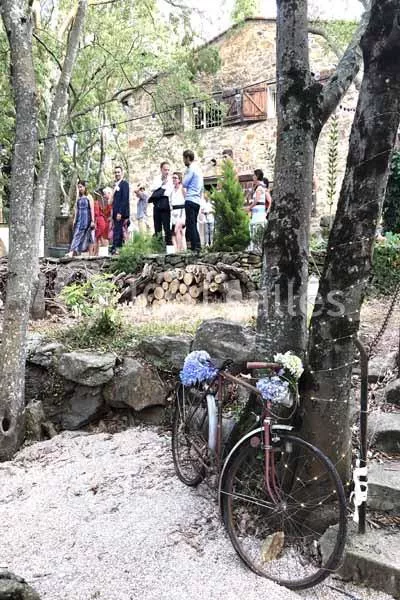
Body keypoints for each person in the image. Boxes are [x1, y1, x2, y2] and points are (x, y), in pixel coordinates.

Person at [66, 180, 95, 257]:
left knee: (81, 235)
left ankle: (72, 251)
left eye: (81, 187)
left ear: (85, 187)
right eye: (78, 187)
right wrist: (75, 219)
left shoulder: (89, 197)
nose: (80, 189)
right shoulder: (78, 197)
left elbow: (92, 209)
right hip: (79, 218)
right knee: (77, 234)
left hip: (86, 218)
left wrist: (92, 221)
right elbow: (76, 209)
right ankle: (76, 252)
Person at [182, 149, 203, 252]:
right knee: (193, 223)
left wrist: (185, 174)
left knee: (191, 224)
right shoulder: (199, 169)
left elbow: (184, 183)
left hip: (190, 199)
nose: (183, 161)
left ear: (187, 158)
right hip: (197, 200)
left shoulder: (191, 169)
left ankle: (195, 246)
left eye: (184, 159)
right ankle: (196, 244)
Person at [149, 161, 172, 246]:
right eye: (165, 170)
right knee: (157, 226)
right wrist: (162, 183)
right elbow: (152, 188)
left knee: (167, 226)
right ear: (161, 169)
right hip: (157, 202)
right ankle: (159, 246)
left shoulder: (171, 180)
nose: (167, 172)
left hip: (166, 203)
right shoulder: (157, 179)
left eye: (168, 170)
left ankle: (169, 246)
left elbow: (170, 192)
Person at [111, 165, 130, 255]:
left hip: (121, 213)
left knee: (118, 231)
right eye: (115, 172)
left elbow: (124, 199)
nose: (117, 174)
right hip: (115, 212)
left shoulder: (124, 184)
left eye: (118, 172)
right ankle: (118, 249)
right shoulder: (115, 185)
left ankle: (117, 248)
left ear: (122, 173)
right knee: (117, 230)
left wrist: (120, 212)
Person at [246, 169, 267, 245]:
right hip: (256, 212)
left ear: (257, 176)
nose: (253, 177)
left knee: (256, 227)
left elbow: (257, 199)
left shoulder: (259, 188)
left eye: (254, 175)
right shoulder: (258, 187)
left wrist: (249, 207)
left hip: (259, 213)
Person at [169, 172, 186, 251]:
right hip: (173, 212)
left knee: (178, 229)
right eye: (173, 178)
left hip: (181, 211)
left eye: (175, 178)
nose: (174, 179)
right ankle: (177, 249)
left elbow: (186, 199)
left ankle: (179, 249)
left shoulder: (182, 188)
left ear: (179, 179)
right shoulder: (172, 190)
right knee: (173, 232)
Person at [93, 187, 112, 255]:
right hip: (104, 221)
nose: (104, 196)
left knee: (100, 238)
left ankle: (101, 253)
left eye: (104, 194)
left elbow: (96, 213)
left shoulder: (97, 203)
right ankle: (98, 253)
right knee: (99, 238)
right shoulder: (103, 202)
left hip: (102, 222)